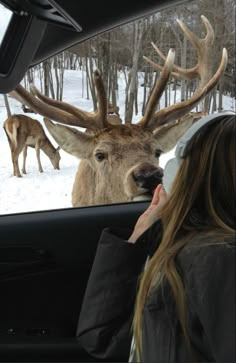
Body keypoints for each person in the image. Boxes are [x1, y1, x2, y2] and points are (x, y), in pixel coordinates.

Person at [76, 111, 235, 363]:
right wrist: (141, 236)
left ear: (183, 174)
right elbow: (105, 339)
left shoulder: (218, 260)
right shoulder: (187, 250)